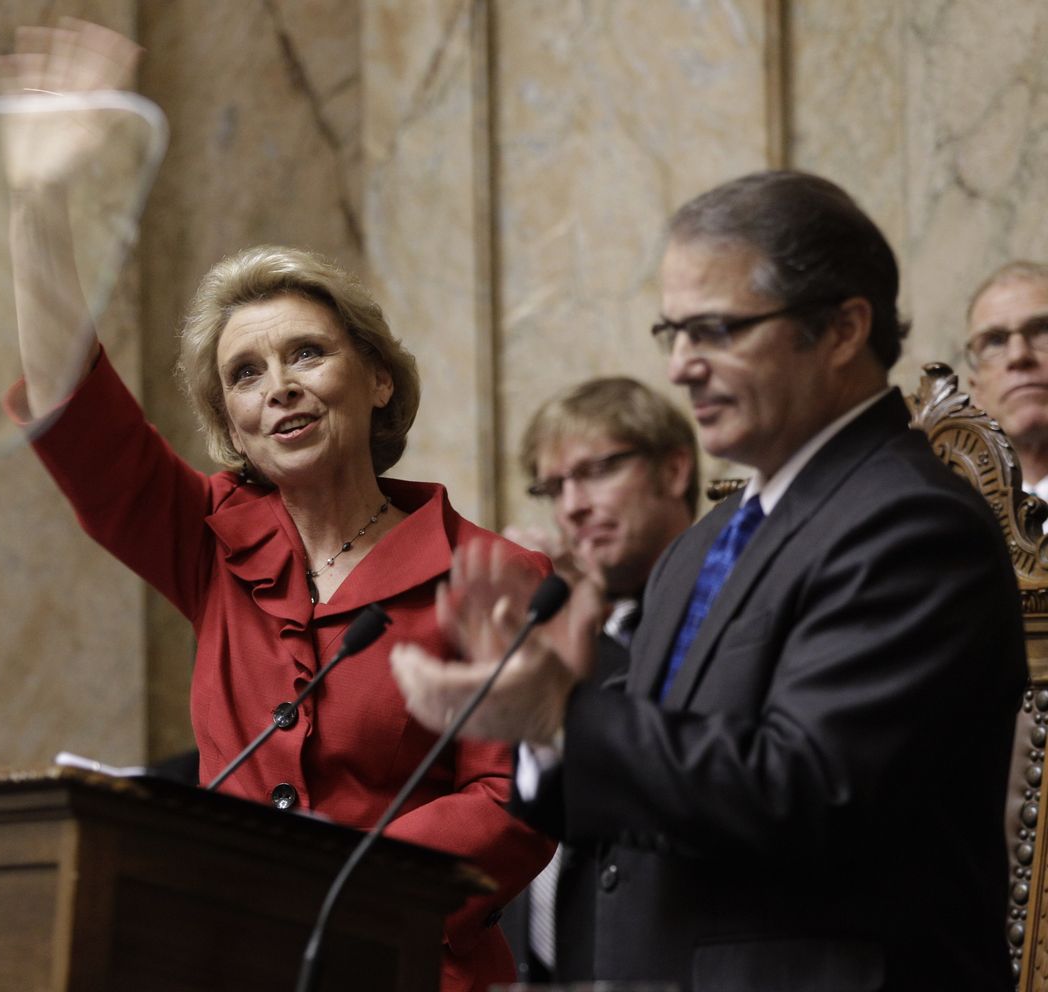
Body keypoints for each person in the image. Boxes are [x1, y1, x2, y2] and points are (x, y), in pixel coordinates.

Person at [0, 20, 552, 992]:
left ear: (377, 378)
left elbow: (508, 802)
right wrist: (40, 199)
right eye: (244, 375)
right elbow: (73, 412)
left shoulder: (490, 574)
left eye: (307, 353)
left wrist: (320, 876)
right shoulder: (211, 540)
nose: (278, 387)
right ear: (231, 425)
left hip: (414, 970)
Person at [391, 170, 1027, 991]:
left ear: (841, 329)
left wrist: (568, 715)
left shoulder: (912, 524)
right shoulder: (703, 546)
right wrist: (542, 739)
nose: (683, 367)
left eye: (717, 330)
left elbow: (808, 788)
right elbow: (641, 799)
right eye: (673, 332)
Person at [499, 377, 697, 983]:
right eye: (553, 487)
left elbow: (650, 735)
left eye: (595, 472)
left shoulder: (723, 600)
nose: (571, 507)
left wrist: (577, 644)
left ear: (674, 470)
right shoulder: (558, 621)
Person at [964, 260, 1048, 496]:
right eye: (995, 341)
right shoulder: (950, 513)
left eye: (1043, 329)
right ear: (977, 390)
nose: (1018, 355)